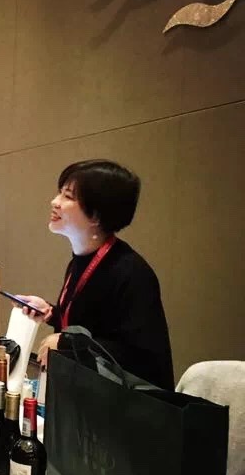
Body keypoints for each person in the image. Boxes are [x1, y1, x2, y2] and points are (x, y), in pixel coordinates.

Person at [17, 159, 174, 390]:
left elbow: (141, 358)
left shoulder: (131, 272)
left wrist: (67, 343)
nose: (55, 202)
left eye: (68, 196)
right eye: (60, 193)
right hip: (84, 393)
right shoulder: (80, 261)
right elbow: (92, 325)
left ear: (97, 215)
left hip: (124, 403)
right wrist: (51, 313)